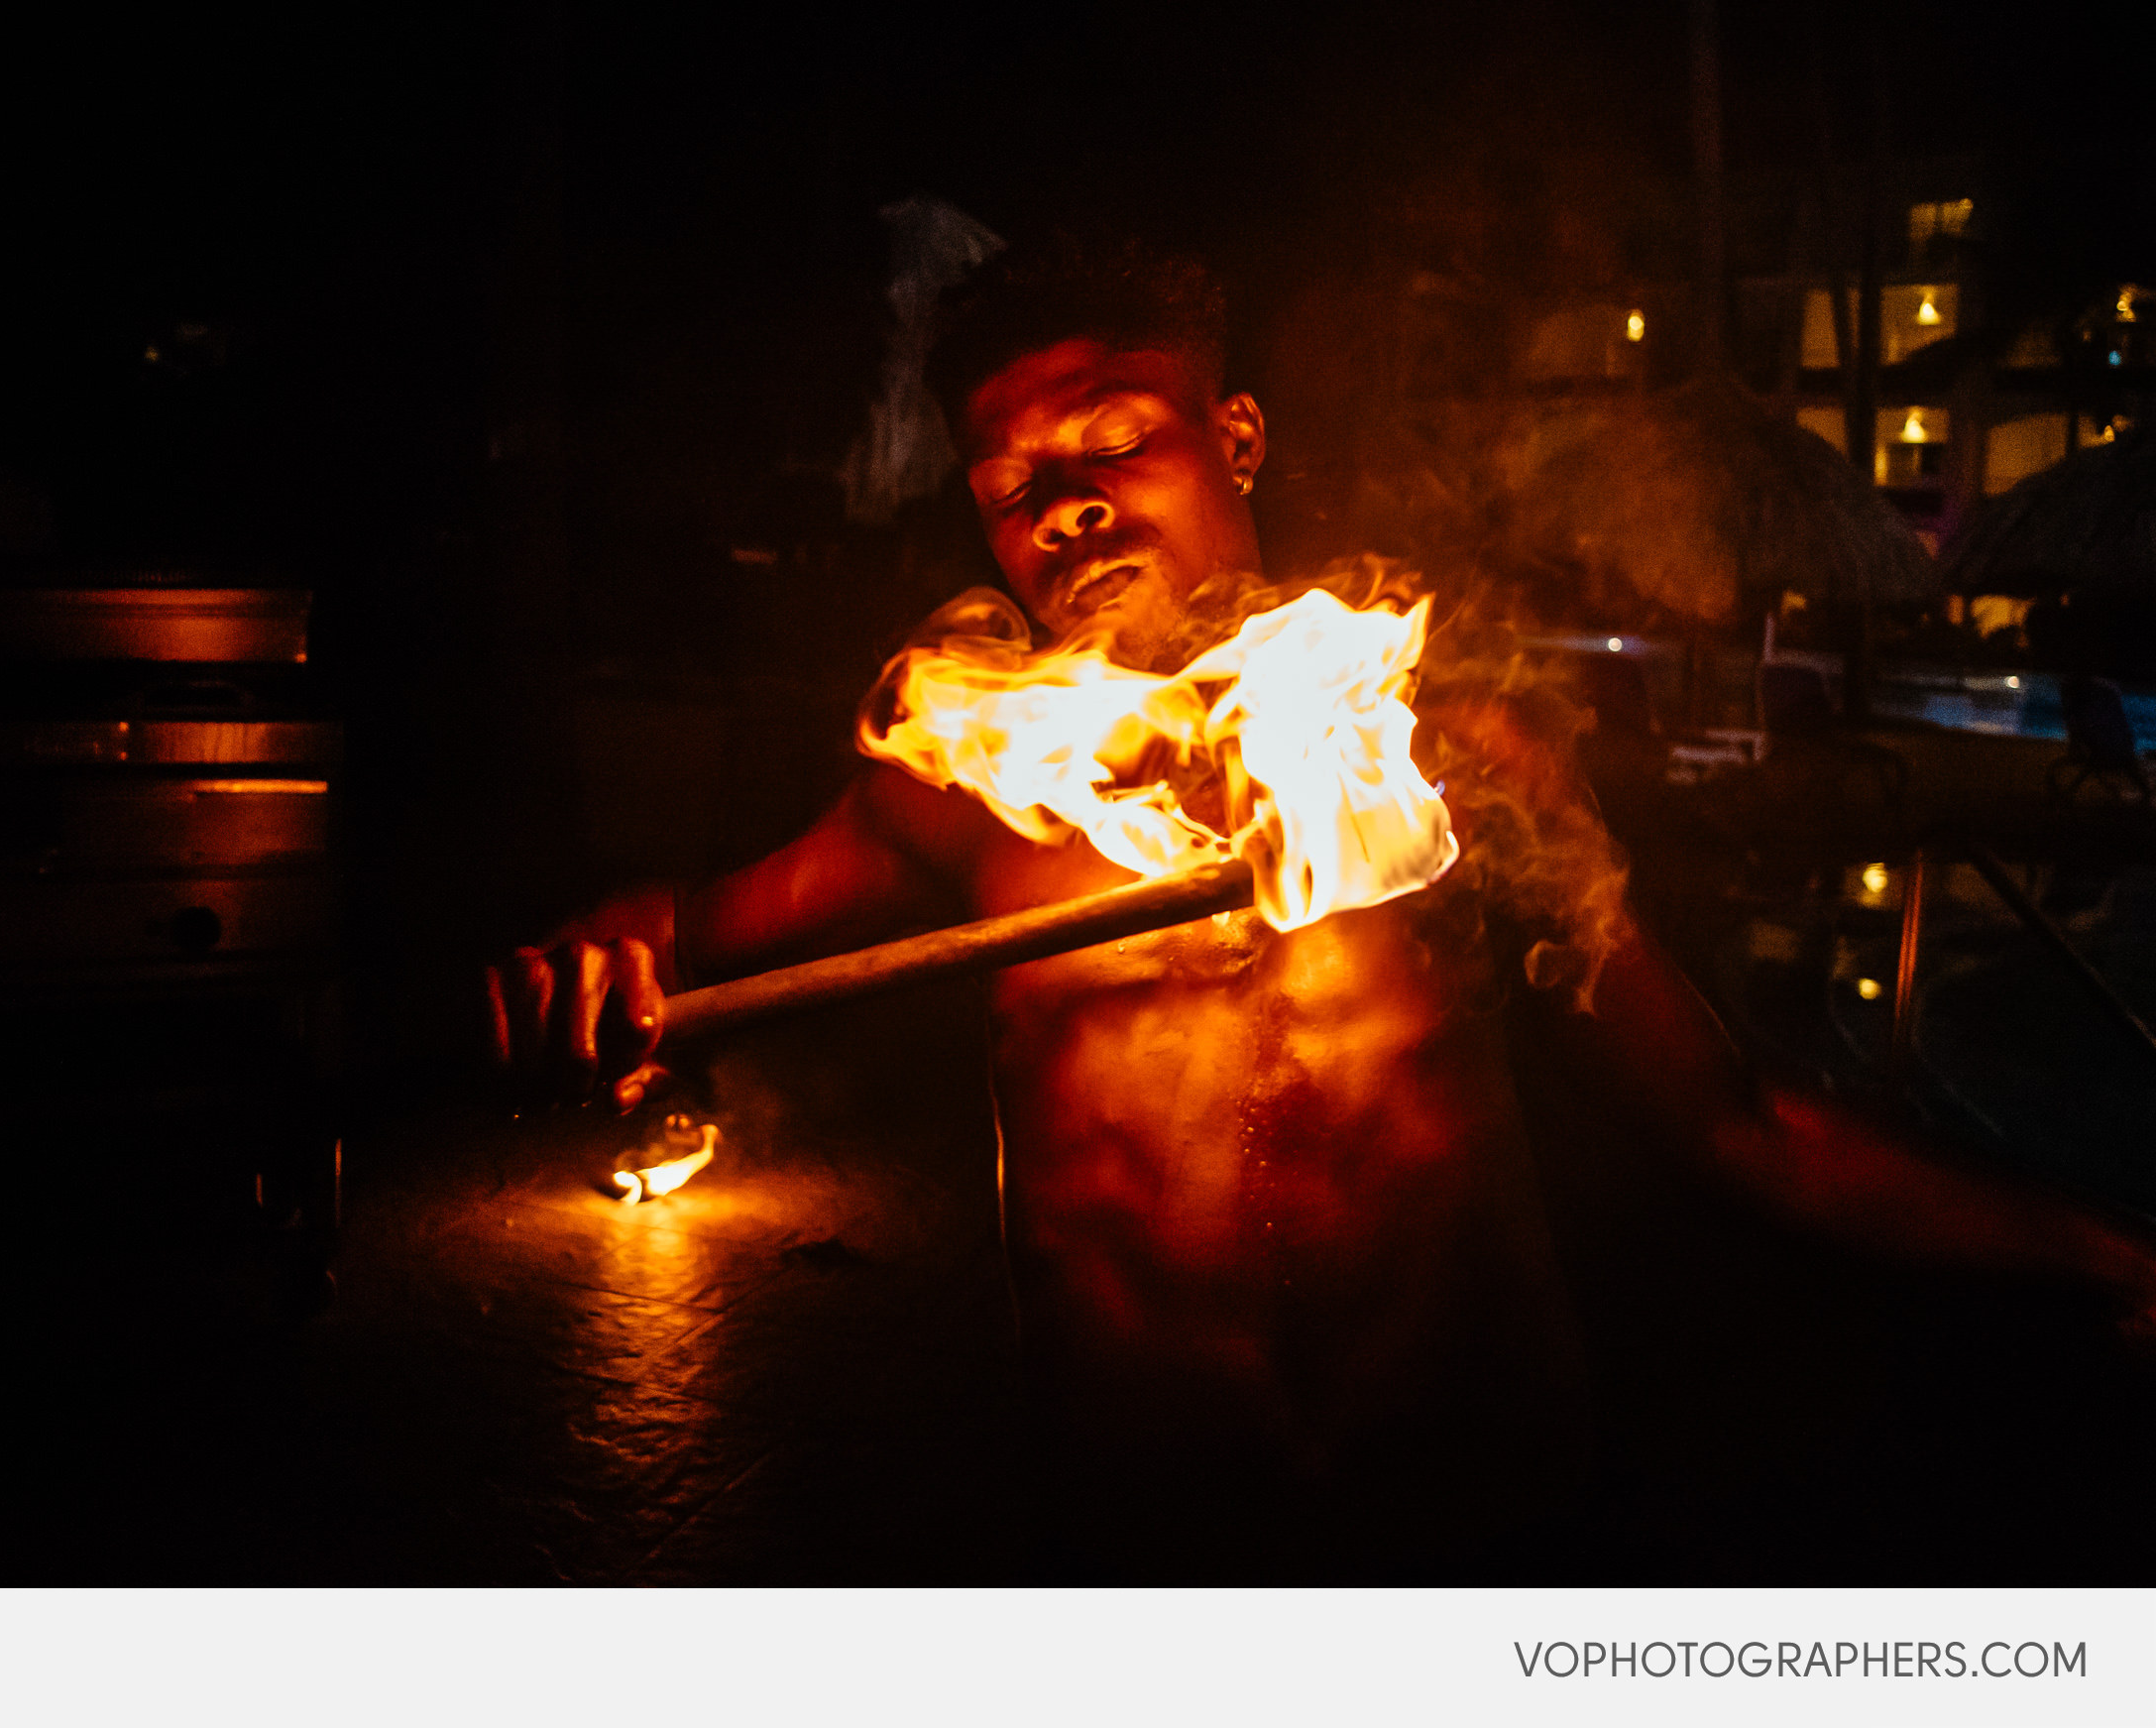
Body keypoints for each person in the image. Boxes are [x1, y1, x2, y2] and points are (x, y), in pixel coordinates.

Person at [487, 241, 2156, 1580]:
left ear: (1239, 438)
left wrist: (2104, 1252)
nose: (1061, 498)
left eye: (1117, 438)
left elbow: (1737, 1128)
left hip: (1488, 1540)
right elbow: (680, 931)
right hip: (1139, 1566)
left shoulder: (1451, 761)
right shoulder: (958, 794)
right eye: (1009, 480)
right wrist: (594, 960)